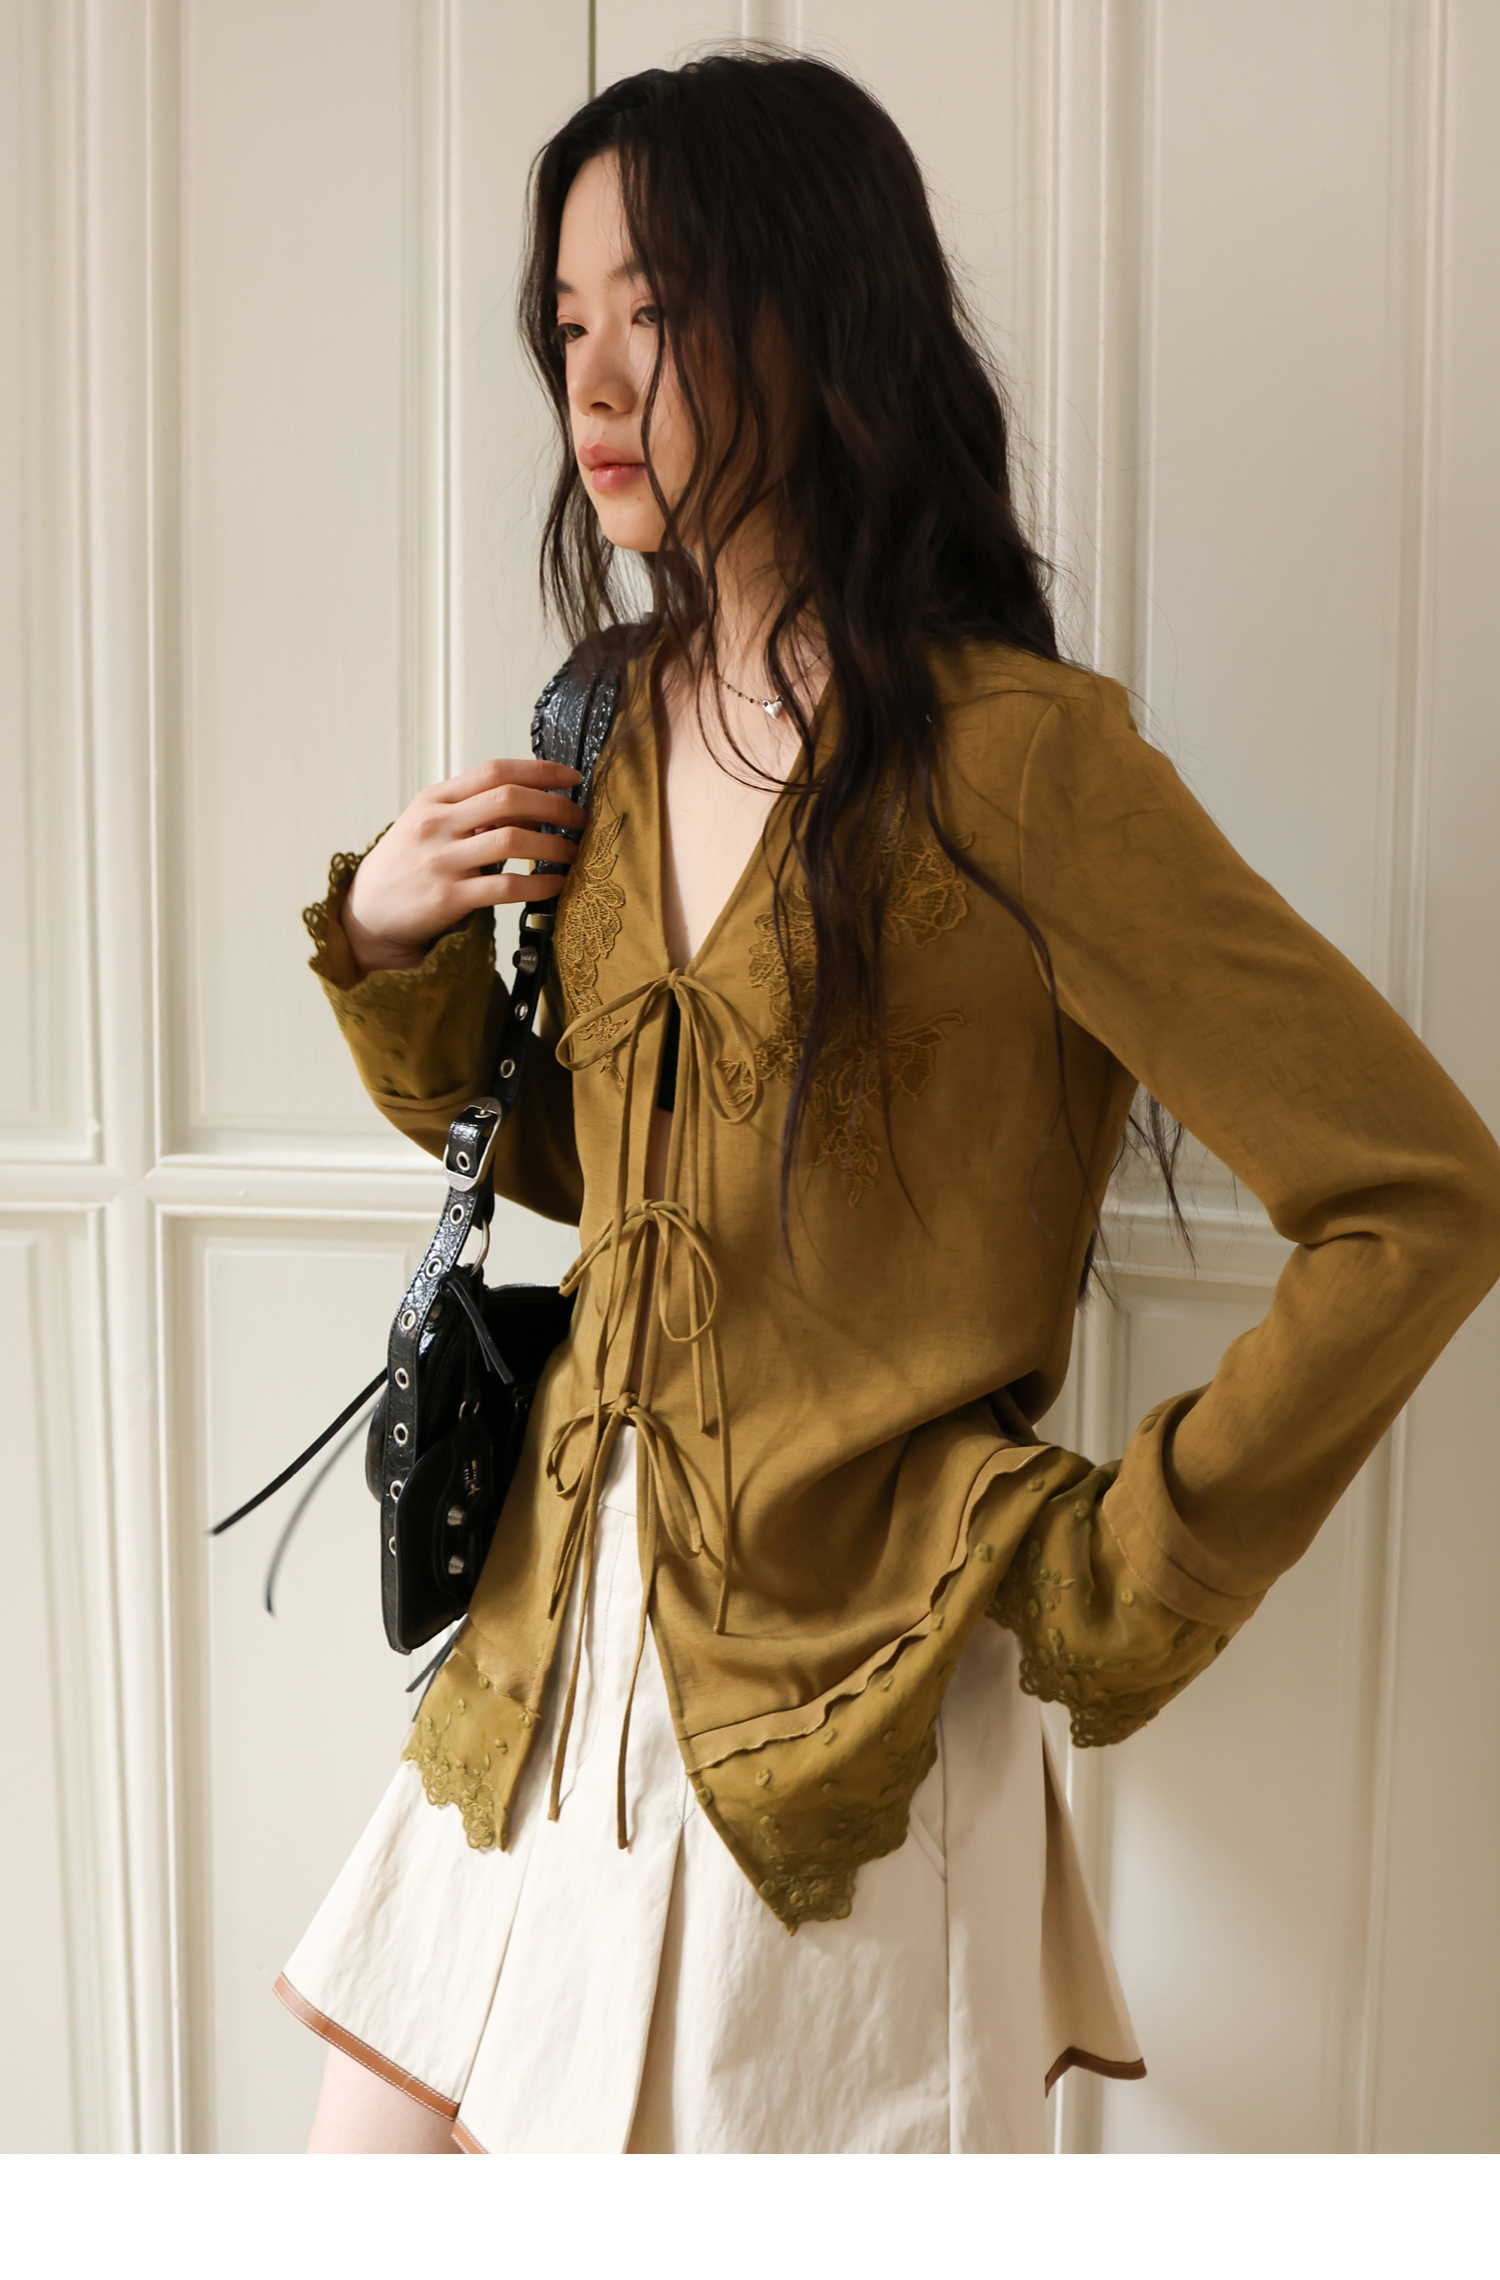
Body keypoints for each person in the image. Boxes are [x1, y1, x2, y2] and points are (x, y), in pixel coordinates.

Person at [279, 54, 1500, 2154]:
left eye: (656, 310)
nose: (593, 379)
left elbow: (1418, 1196)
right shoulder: (606, 721)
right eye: (567, 322)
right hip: (541, 1660)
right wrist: (392, 949)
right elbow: (610, 1170)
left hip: (836, 1720)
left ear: (816, 318)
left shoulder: (1020, 760)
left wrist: (1132, 1560)